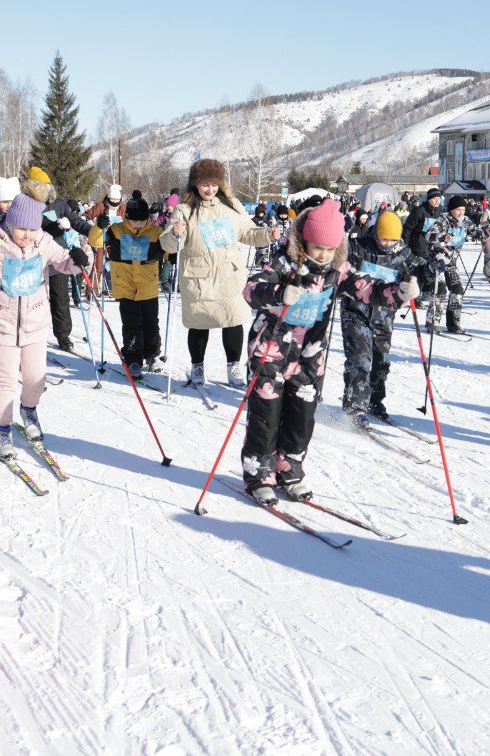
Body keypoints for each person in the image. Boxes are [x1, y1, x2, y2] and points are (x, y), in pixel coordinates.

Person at [240, 199, 418, 503]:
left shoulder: (338, 269)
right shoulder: (284, 263)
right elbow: (251, 289)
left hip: (310, 353)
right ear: (304, 241)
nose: (323, 254)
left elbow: (367, 288)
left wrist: (397, 293)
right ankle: (260, 475)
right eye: (317, 247)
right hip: (270, 349)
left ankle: (289, 468)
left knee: (302, 416)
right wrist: (278, 292)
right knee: (266, 416)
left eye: (329, 248)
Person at [0, 194, 90, 458]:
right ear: (10, 223)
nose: (27, 235)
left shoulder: (42, 241)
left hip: (35, 323)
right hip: (0, 324)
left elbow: (64, 262)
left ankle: (28, 411)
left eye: (33, 228)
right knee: (5, 379)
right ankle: (3, 429)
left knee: (36, 378)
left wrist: (80, 258)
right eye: (22, 229)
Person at [158, 159, 278, 388]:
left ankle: (233, 366)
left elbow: (249, 233)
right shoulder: (185, 210)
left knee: (233, 321)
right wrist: (175, 233)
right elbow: (168, 245)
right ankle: (197, 365)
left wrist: (267, 235)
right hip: (199, 278)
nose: (209, 189)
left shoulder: (232, 206)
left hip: (229, 276)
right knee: (199, 323)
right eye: (204, 184)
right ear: (195, 184)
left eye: (214, 184)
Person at [342, 210, 416, 423]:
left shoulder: (403, 255)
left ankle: (375, 399)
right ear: (376, 234)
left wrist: (416, 283)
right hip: (356, 312)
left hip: (384, 316)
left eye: (392, 239)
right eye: (384, 238)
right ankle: (355, 406)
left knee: (380, 359)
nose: (388, 244)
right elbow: (345, 273)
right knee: (360, 359)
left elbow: (414, 276)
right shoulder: (358, 248)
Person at [89, 190, 165, 379]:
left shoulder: (156, 232)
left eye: (142, 220)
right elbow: (95, 242)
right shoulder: (116, 231)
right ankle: (133, 359)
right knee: (132, 325)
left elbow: (169, 249)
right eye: (135, 220)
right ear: (127, 217)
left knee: (151, 324)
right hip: (125, 286)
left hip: (148, 287)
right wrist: (99, 227)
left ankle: (152, 354)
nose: (138, 224)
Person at [25, 168, 93, 353]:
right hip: (35, 257)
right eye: (40, 186)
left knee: (60, 298)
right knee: (33, 300)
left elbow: (75, 221)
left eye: (47, 185)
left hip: (57, 257)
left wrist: (91, 231)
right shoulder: (27, 205)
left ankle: (63, 335)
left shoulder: (60, 204)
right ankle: (29, 336)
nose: (45, 189)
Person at [422, 195, 473, 333]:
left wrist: (484, 232)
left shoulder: (465, 221)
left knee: (457, 290)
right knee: (440, 290)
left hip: (451, 263)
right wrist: (441, 237)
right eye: (458, 210)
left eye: (463, 209)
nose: (461, 213)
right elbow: (428, 236)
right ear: (451, 210)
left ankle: (453, 323)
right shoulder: (443, 220)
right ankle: (432, 321)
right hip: (437, 261)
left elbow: (475, 230)